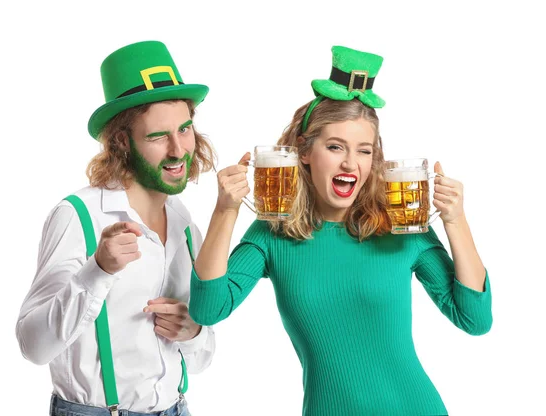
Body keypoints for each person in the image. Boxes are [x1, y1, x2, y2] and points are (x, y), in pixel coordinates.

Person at [188, 46, 492, 415]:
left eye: (364, 151)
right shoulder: (272, 235)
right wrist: (225, 210)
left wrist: (455, 221)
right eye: (335, 147)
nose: (350, 163)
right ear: (304, 151)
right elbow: (208, 308)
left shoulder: (401, 228)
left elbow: (475, 319)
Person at [16, 40, 216, 416]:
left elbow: (202, 359)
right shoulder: (79, 215)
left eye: (185, 130)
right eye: (158, 136)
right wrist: (98, 270)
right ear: (122, 142)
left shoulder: (184, 221)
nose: (178, 150)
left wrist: (194, 332)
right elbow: (33, 346)